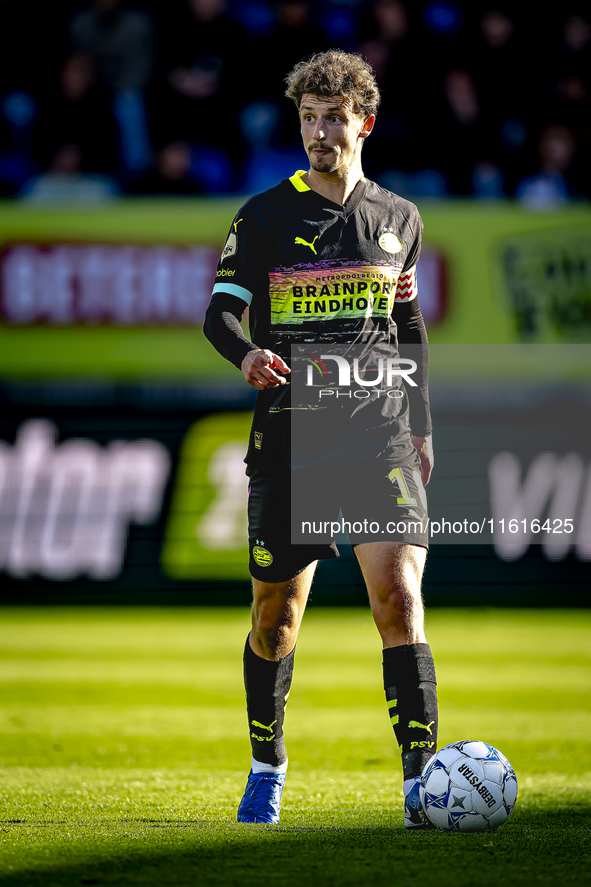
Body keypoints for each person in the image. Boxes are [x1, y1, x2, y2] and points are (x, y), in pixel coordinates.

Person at [204, 49, 437, 829]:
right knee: (275, 619)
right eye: (307, 117)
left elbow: (407, 327)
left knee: (399, 602)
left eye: (332, 117)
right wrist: (246, 353)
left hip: (380, 441)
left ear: (361, 123)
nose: (318, 131)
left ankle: (419, 782)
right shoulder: (264, 215)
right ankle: (267, 766)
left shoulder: (398, 218)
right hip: (291, 441)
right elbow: (218, 314)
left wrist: (422, 425)